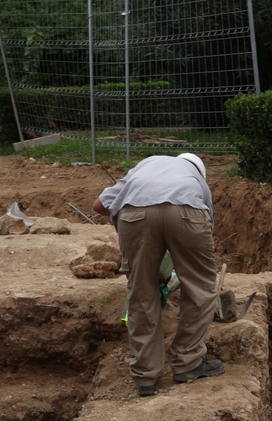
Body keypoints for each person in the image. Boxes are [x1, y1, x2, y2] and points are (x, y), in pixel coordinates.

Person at [93, 153, 225, 397]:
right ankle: (188, 363)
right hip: (187, 213)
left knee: (141, 291)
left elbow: (99, 206)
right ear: (200, 171)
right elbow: (205, 223)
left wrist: (131, 226)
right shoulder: (197, 180)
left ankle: (145, 376)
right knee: (200, 287)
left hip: (134, 215)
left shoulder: (146, 165)